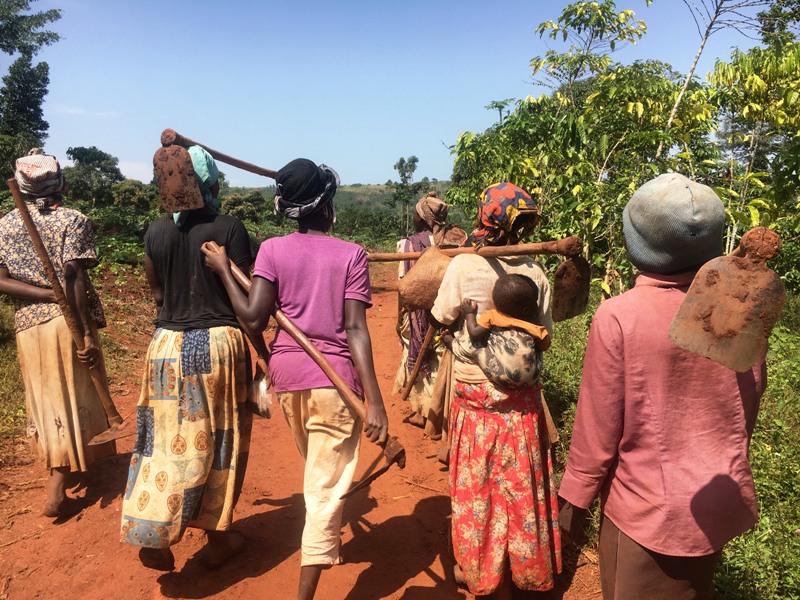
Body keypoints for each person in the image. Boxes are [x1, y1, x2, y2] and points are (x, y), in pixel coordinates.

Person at [558, 173, 767, 599]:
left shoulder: (621, 315)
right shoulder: (746, 308)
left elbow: (596, 434)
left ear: (637, 246)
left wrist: (573, 502)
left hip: (649, 511)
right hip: (718, 496)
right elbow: (746, 405)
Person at [204, 158, 389, 600]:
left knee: (319, 477)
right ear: (326, 206)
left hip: (287, 381)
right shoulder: (351, 254)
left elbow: (252, 318)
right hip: (335, 383)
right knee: (324, 492)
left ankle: (320, 542)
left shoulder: (271, 250)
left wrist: (226, 272)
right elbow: (356, 329)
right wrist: (376, 402)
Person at [120, 146, 254, 572]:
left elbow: (158, 294)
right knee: (219, 442)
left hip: (164, 348)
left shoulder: (155, 232)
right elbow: (249, 295)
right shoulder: (229, 228)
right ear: (209, 182)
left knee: (159, 443)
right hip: (216, 345)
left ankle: (155, 532)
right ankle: (217, 537)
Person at [430, 182, 561, 598]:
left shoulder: (464, 266)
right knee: (523, 488)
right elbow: (545, 338)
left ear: (487, 215)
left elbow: (439, 316)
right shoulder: (536, 271)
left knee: (479, 492)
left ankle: (482, 572)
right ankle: (527, 568)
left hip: (475, 403)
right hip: (522, 406)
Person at [0, 149, 114, 519]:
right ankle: (58, 481)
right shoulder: (73, 220)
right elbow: (74, 280)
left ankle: (80, 462)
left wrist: (41, 295)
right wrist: (82, 332)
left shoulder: (5, 224)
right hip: (64, 320)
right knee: (73, 391)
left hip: (27, 325)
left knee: (48, 396)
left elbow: (2, 282)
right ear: (59, 182)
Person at [392, 192, 464, 436]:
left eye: (415, 213)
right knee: (441, 357)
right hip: (447, 313)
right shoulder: (453, 241)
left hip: (416, 316)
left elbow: (403, 285)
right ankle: (439, 412)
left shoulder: (407, 245)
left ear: (422, 217)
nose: (412, 218)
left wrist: (398, 316)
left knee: (414, 352)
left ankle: (424, 412)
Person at [459, 273, 551, 389]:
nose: (537, 305)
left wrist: (469, 313)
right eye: (535, 301)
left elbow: (474, 332)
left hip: (498, 374)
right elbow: (545, 346)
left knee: (474, 343)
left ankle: (452, 343)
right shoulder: (534, 325)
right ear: (526, 310)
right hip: (529, 379)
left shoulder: (493, 315)